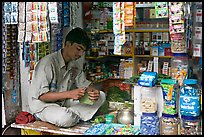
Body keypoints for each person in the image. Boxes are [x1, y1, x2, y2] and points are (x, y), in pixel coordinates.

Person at [28, 27, 106, 128]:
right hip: (43, 107)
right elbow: (42, 96)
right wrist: (70, 94)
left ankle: (70, 116)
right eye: (78, 49)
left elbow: (85, 84)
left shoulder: (75, 64)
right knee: (64, 117)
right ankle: (70, 117)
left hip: (63, 104)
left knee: (101, 96)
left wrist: (93, 91)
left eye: (83, 51)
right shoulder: (48, 63)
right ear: (68, 44)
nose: (81, 54)